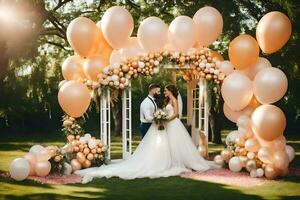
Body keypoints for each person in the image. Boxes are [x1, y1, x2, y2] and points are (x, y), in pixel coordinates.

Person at [75, 84, 219, 183]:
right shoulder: (162, 100)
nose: (164, 92)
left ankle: (179, 162)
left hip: (173, 125)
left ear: (171, 91)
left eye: (165, 90)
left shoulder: (174, 100)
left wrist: (165, 119)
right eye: (162, 90)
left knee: (175, 144)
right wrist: (161, 118)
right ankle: (169, 161)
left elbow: (176, 114)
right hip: (166, 124)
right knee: (165, 145)